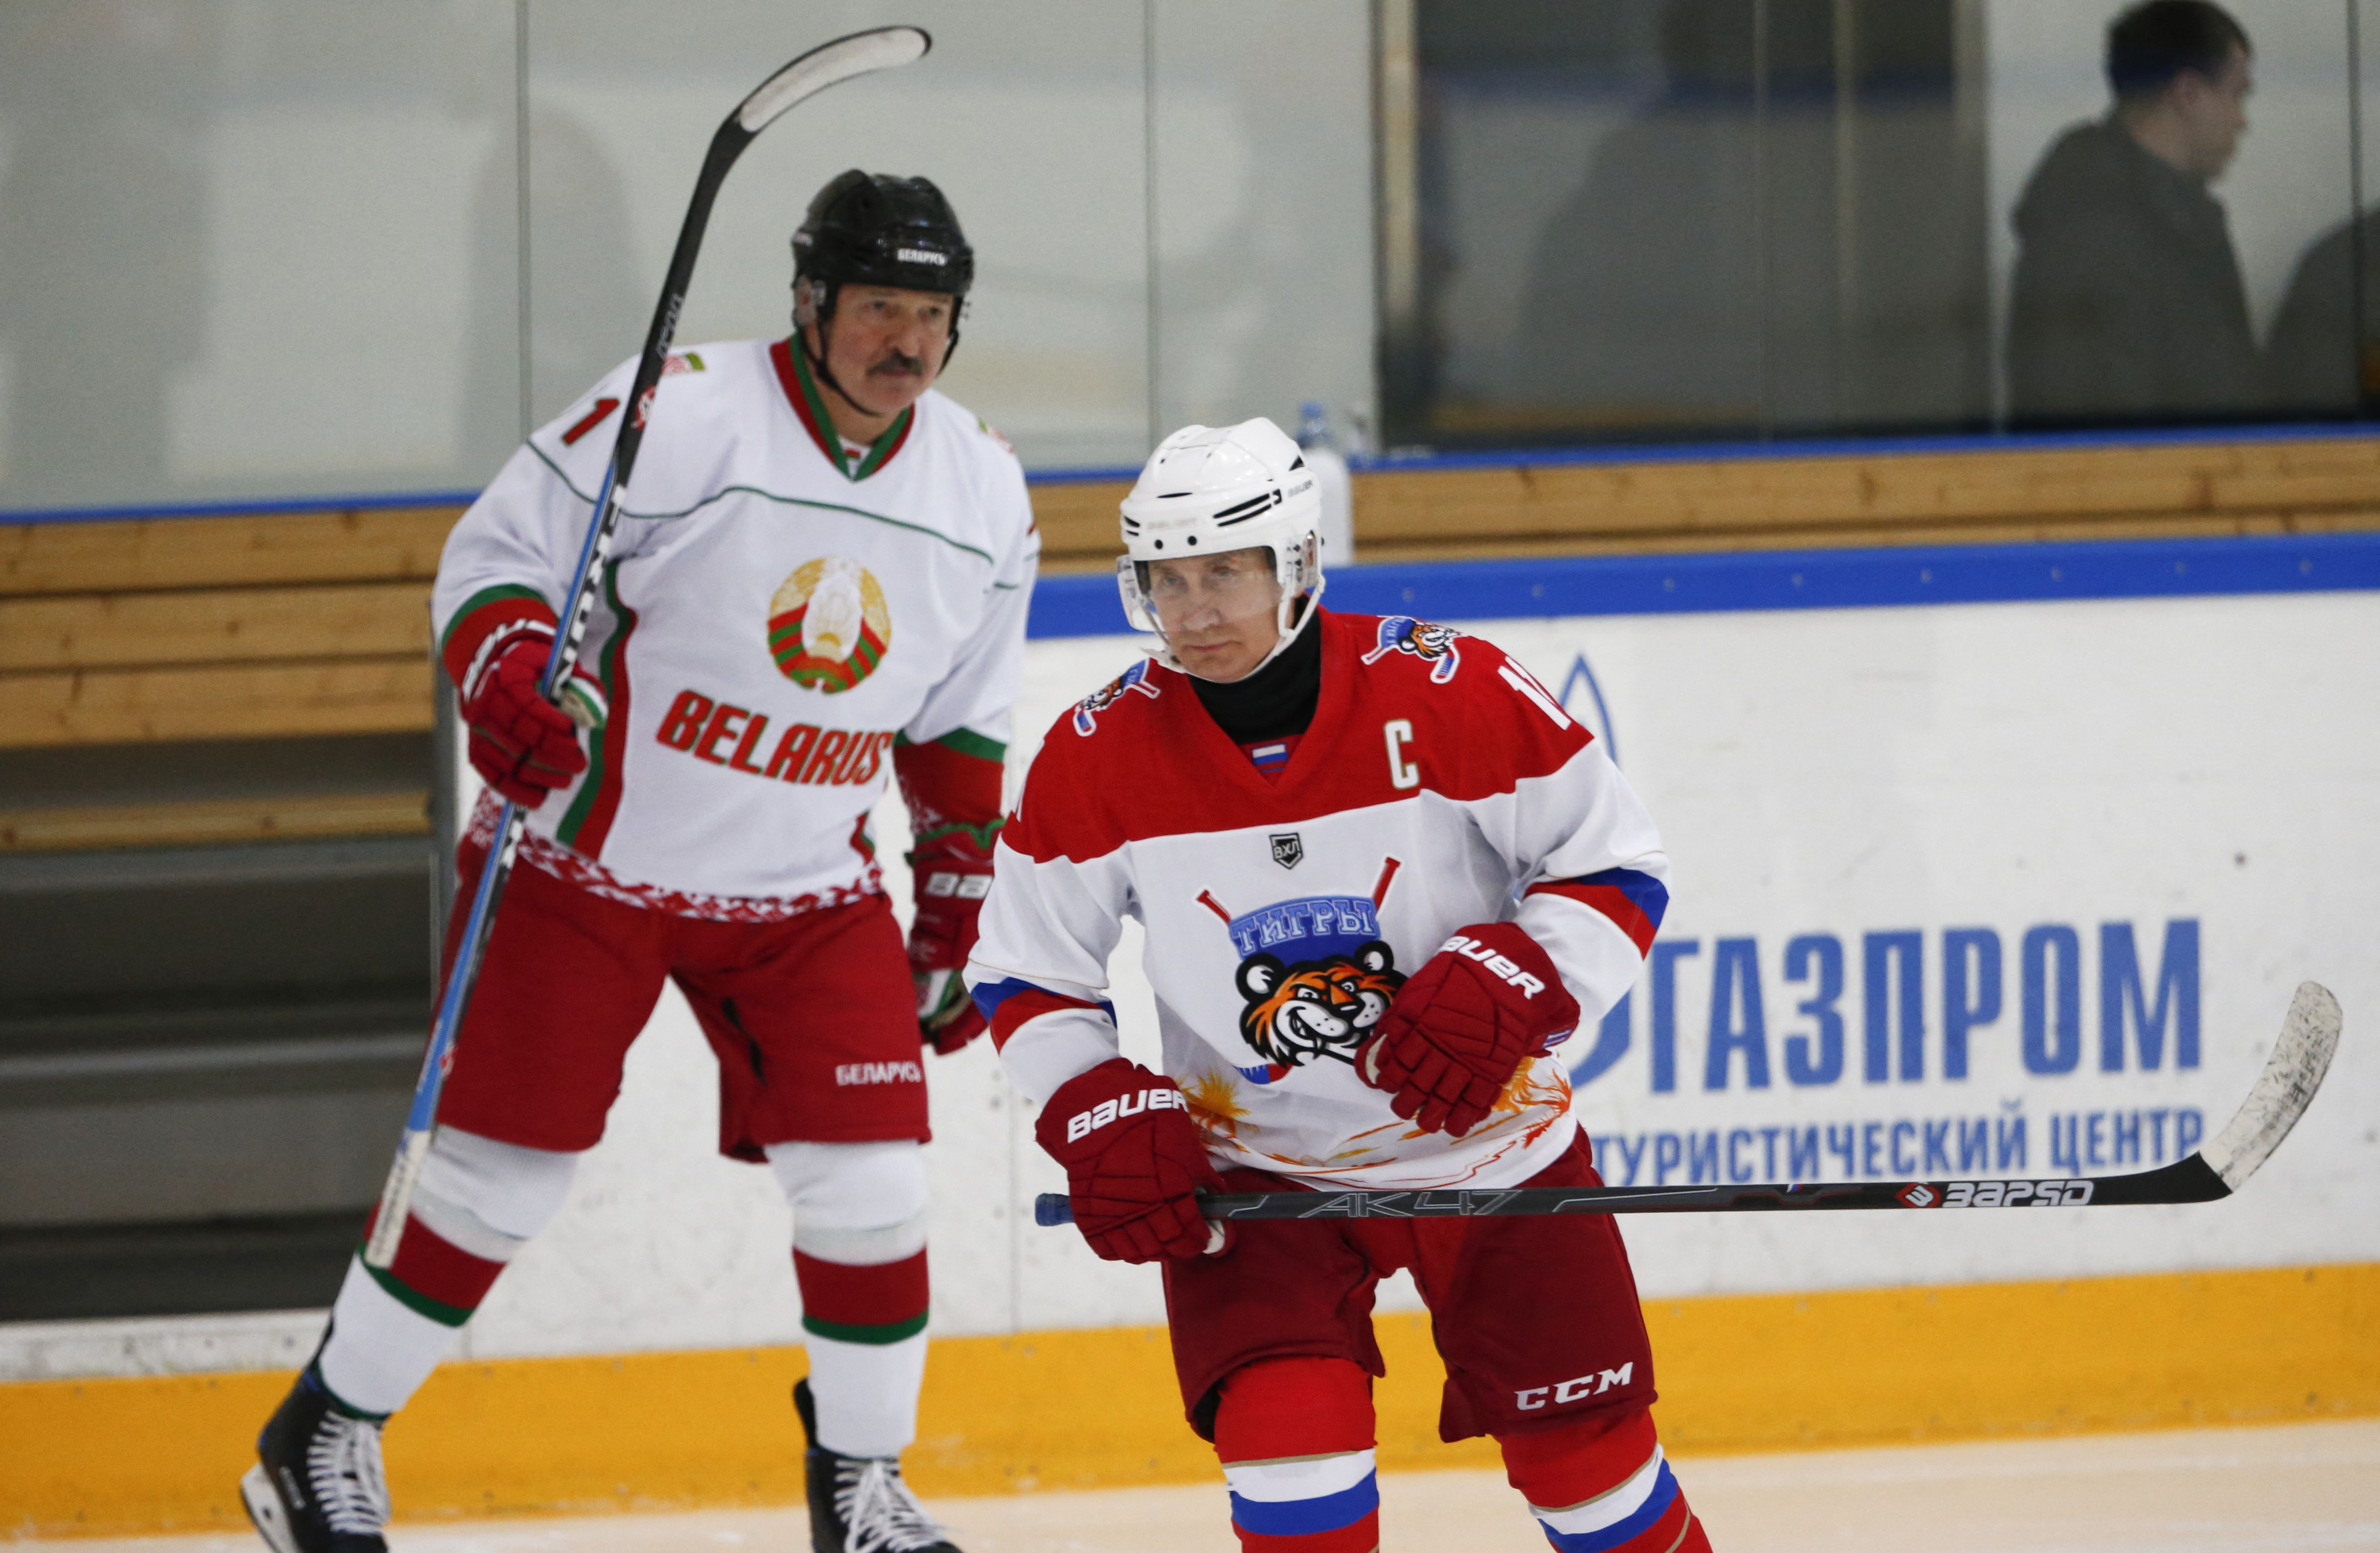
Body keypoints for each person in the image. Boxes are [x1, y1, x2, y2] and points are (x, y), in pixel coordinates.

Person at [240, 170, 1035, 1553]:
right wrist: (505, 676)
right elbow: (499, 561)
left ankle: (860, 1489)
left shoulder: (980, 482)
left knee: (872, 1187)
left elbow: (960, 720)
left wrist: (952, 904)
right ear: (809, 303)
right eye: (875, 309)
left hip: (804, 891)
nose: (904, 342)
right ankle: (322, 1432)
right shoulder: (677, 411)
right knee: (497, 1180)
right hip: (579, 869)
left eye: (930, 315)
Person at [965, 419, 1710, 1553]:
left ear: (1299, 563)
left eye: (1224, 572)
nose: (1194, 612)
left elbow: (1615, 864)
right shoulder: (1097, 752)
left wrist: (1521, 970)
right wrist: (1092, 1099)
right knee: (1291, 1464)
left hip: (1493, 1148)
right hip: (1259, 1177)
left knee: (1592, 1480)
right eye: (1168, 580)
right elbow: (1026, 970)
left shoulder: (1449, 687)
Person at [2006, 0, 2260, 427]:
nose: (2241, 122)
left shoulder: (2177, 215)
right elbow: (2093, 425)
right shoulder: (2090, 232)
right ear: (2187, 93)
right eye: (2236, 95)